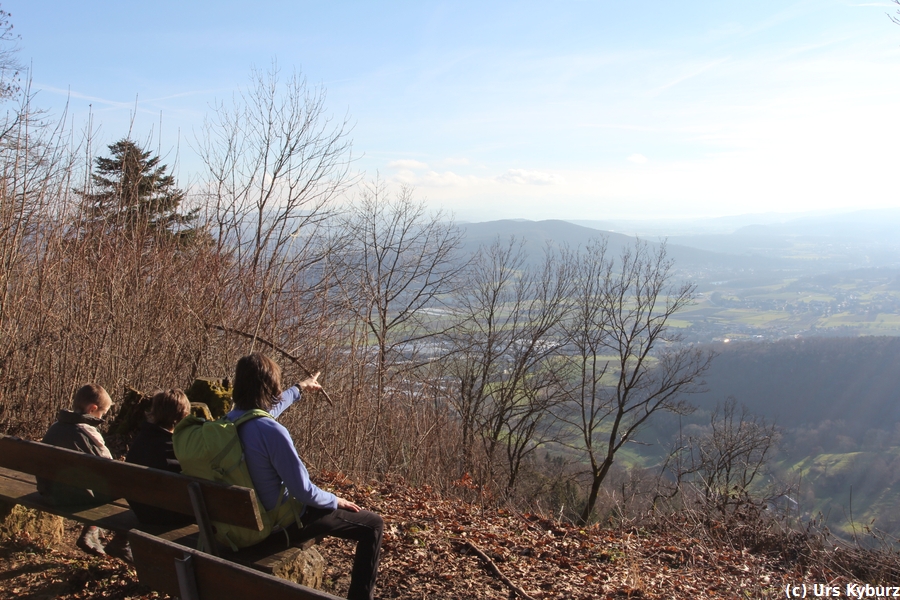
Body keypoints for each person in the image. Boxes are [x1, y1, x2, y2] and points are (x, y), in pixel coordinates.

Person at [229, 353, 383, 600]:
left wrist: (300, 387)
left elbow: (269, 412)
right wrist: (335, 500)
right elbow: (304, 491)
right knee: (373, 525)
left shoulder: (228, 423)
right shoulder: (273, 432)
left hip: (240, 522)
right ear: (270, 388)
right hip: (279, 524)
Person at [37, 384, 131, 561]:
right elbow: (111, 469)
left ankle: (92, 531)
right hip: (74, 498)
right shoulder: (87, 432)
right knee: (125, 486)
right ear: (93, 409)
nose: (102, 417)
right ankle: (117, 540)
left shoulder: (55, 427)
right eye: (102, 414)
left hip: (48, 492)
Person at [125, 389, 193, 527]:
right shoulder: (174, 449)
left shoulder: (142, 440)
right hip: (167, 517)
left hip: (143, 512)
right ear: (183, 415)